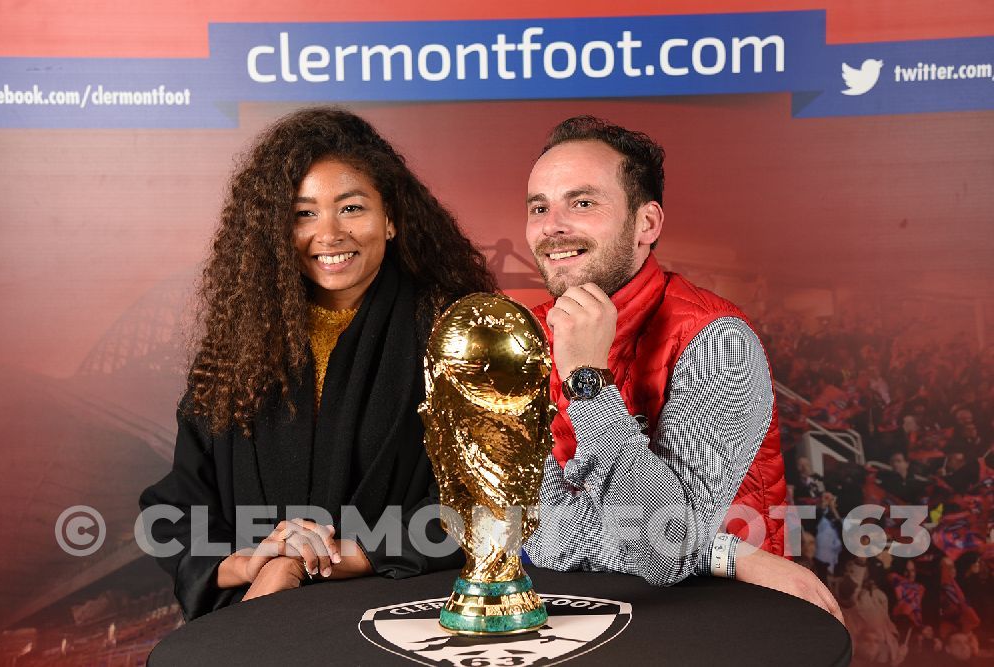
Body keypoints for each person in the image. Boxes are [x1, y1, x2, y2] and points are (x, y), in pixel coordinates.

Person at [139, 107, 496, 620]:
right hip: (260, 607)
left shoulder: (454, 330)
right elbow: (176, 511)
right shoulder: (242, 342)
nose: (328, 234)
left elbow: (489, 498)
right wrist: (258, 563)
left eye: (351, 209)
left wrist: (334, 558)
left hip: (400, 616)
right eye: (304, 213)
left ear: (391, 218)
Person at [520, 115, 843, 623]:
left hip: (713, 624)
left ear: (647, 224)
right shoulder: (527, 336)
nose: (552, 226)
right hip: (575, 620)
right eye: (539, 207)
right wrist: (726, 554)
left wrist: (587, 380)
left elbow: (661, 547)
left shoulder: (718, 340)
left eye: (582, 203)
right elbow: (522, 528)